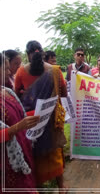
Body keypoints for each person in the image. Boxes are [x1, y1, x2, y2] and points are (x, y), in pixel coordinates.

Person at [14, 40, 68, 193]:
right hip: (51, 120)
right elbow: (63, 93)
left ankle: (38, 187)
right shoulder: (55, 71)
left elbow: (16, 96)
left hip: (31, 122)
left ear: (27, 54)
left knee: (34, 155)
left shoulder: (20, 72)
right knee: (55, 152)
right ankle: (61, 187)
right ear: (43, 53)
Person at [0, 53, 40, 193]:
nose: (9, 72)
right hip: (8, 162)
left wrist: (38, 113)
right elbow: (17, 124)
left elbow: (19, 116)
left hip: (23, 148)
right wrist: (18, 127)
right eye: (5, 68)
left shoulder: (7, 91)